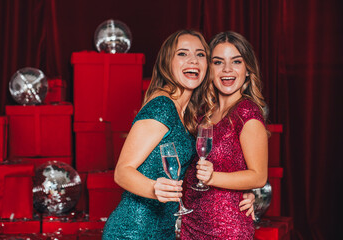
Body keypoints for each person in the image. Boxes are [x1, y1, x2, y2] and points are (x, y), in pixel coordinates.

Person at [102, 30, 255, 240]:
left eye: (200, 54)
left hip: (165, 230)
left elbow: (197, 171)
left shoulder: (191, 114)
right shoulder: (162, 106)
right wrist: (153, 188)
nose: (193, 60)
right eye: (182, 54)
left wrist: (245, 192)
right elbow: (122, 171)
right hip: (133, 231)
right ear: (167, 63)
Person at [181, 31, 269, 239]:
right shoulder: (202, 113)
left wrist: (213, 177)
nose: (227, 69)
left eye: (236, 61)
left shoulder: (248, 113)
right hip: (192, 224)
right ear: (209, 69)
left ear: (247, 69)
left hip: (226, 229)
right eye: (218, 62)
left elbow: (259, 175)